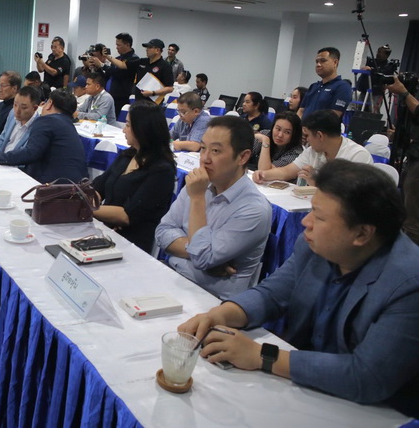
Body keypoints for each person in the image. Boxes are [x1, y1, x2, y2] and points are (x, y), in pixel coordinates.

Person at [179, 160, 419, 417]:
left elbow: (367, 376)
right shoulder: (316, 246)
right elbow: (271, 294)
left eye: (319, 216)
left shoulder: (408, 283)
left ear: (362, 234)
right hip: (303, 390)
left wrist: (262, 355)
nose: (306, 222)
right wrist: (220, 314)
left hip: (372, 413)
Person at [156, 116, 271, 299]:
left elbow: (201, 257)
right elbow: (163, 231)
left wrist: (197, 199)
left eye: (216, 151)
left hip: (213, 300)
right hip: (173, 278)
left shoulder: (254, 209)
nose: (205, 159)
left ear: (242, 157)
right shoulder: (200, 184)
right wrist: (197, 252)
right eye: (203, 148)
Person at [92, 101, 176, 252]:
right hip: (105, 230)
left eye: (128, 125)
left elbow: (127, 216)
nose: (124, 130)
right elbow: (98, 187)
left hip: (131, 243)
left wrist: (85, 209)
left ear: (143, 129)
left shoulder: (162, 170)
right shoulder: (127, 155)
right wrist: (94, 205)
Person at [0, 90, 87, 184]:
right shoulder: (69, 125)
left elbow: (31, 153)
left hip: (53, 186)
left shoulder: (47, 120)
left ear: (49, 104)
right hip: (76, 185)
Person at [253, 110, 372, 186]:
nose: (307, 140)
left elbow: (351, 194)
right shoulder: (313, 151)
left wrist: (317, 182)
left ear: (319, 136)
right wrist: (263, 174)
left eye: (307, 136)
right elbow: (286, 172)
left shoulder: (358, 156)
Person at [385, 74, 419, 245]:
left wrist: (404, 93)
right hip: (413, 155)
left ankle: (410, 256)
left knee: (412, 220)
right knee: (406, 211)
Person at [106, 38, 173, 105]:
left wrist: (153, 93)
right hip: (139, 101)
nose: (147, 49)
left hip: (153, 103)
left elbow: (170, 88)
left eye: (149, 47)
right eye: (147, 48)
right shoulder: (142, 61)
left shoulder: (165, 66)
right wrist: (107, 56)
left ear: (157, 50)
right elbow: (122, 65)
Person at [298, 47, 352, 119]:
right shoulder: (313, 86)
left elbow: (333, 117)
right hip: (304, 126)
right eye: (317, 62)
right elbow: (301, 111)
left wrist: (308, 126)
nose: (318, 64)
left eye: (323, 61)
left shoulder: (343, 87)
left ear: (335, 63)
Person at [249, 111, 303, 176]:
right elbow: (242, 155)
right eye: (278, 129)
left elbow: (264, 173)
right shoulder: (265, 134)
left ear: (295, 134)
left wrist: (266, 142)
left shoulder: (295, 153)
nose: (280, 135)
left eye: (287, 132)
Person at [0, 86, 40, 157]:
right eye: (15, 105)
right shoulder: (12, 113)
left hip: (14, 162)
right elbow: (2, 137)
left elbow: (25, 155)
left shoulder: (38, 126)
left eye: (23, 107)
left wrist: (0, 159)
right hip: (0, 158)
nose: (17, 111)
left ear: (35, 108)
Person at [105, 32, 138, 117]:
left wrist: (103, 65)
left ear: (127, 45)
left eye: (119, 45)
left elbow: (119, 73)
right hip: (112, 95)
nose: (116, 47)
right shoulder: (117, 58)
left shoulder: (134, 59)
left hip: (123, 96)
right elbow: (110, 73)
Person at [355, 44, 392, 113]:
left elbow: (383, 73)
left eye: (381, 52)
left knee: (373, 111)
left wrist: (371, 69)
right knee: (359, 109)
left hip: (376, 92)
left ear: (386, 55)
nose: (378, 54)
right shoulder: (371, 61)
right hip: (364, 90)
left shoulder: (388, 66)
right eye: (378, 52)